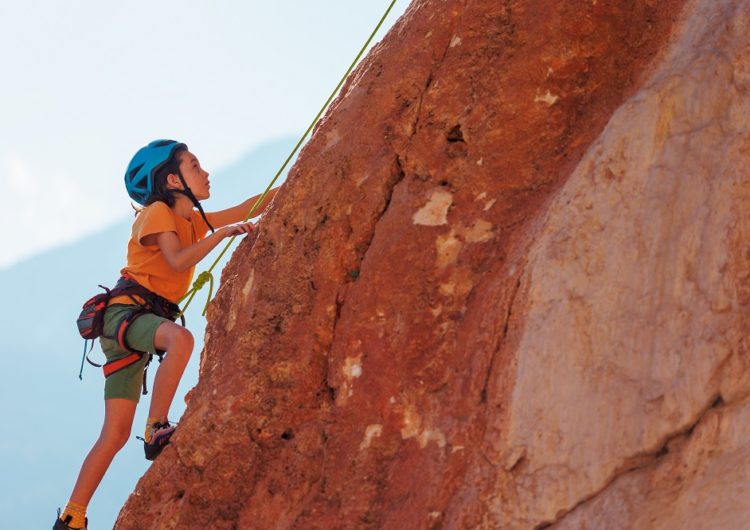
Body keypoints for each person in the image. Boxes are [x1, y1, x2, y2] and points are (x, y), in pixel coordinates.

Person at [54, 139, 278, 530]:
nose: (205, 172)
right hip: (128, 314)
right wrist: (221, 234)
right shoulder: (157, 212)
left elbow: (247, 206)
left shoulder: (191, 220)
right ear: (173, 179)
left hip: (131, 323)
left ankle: (72, 517)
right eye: (194, 165)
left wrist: (299, 176)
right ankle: (157, 426)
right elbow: (176, 259)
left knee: (115, 433)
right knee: (180, 340)